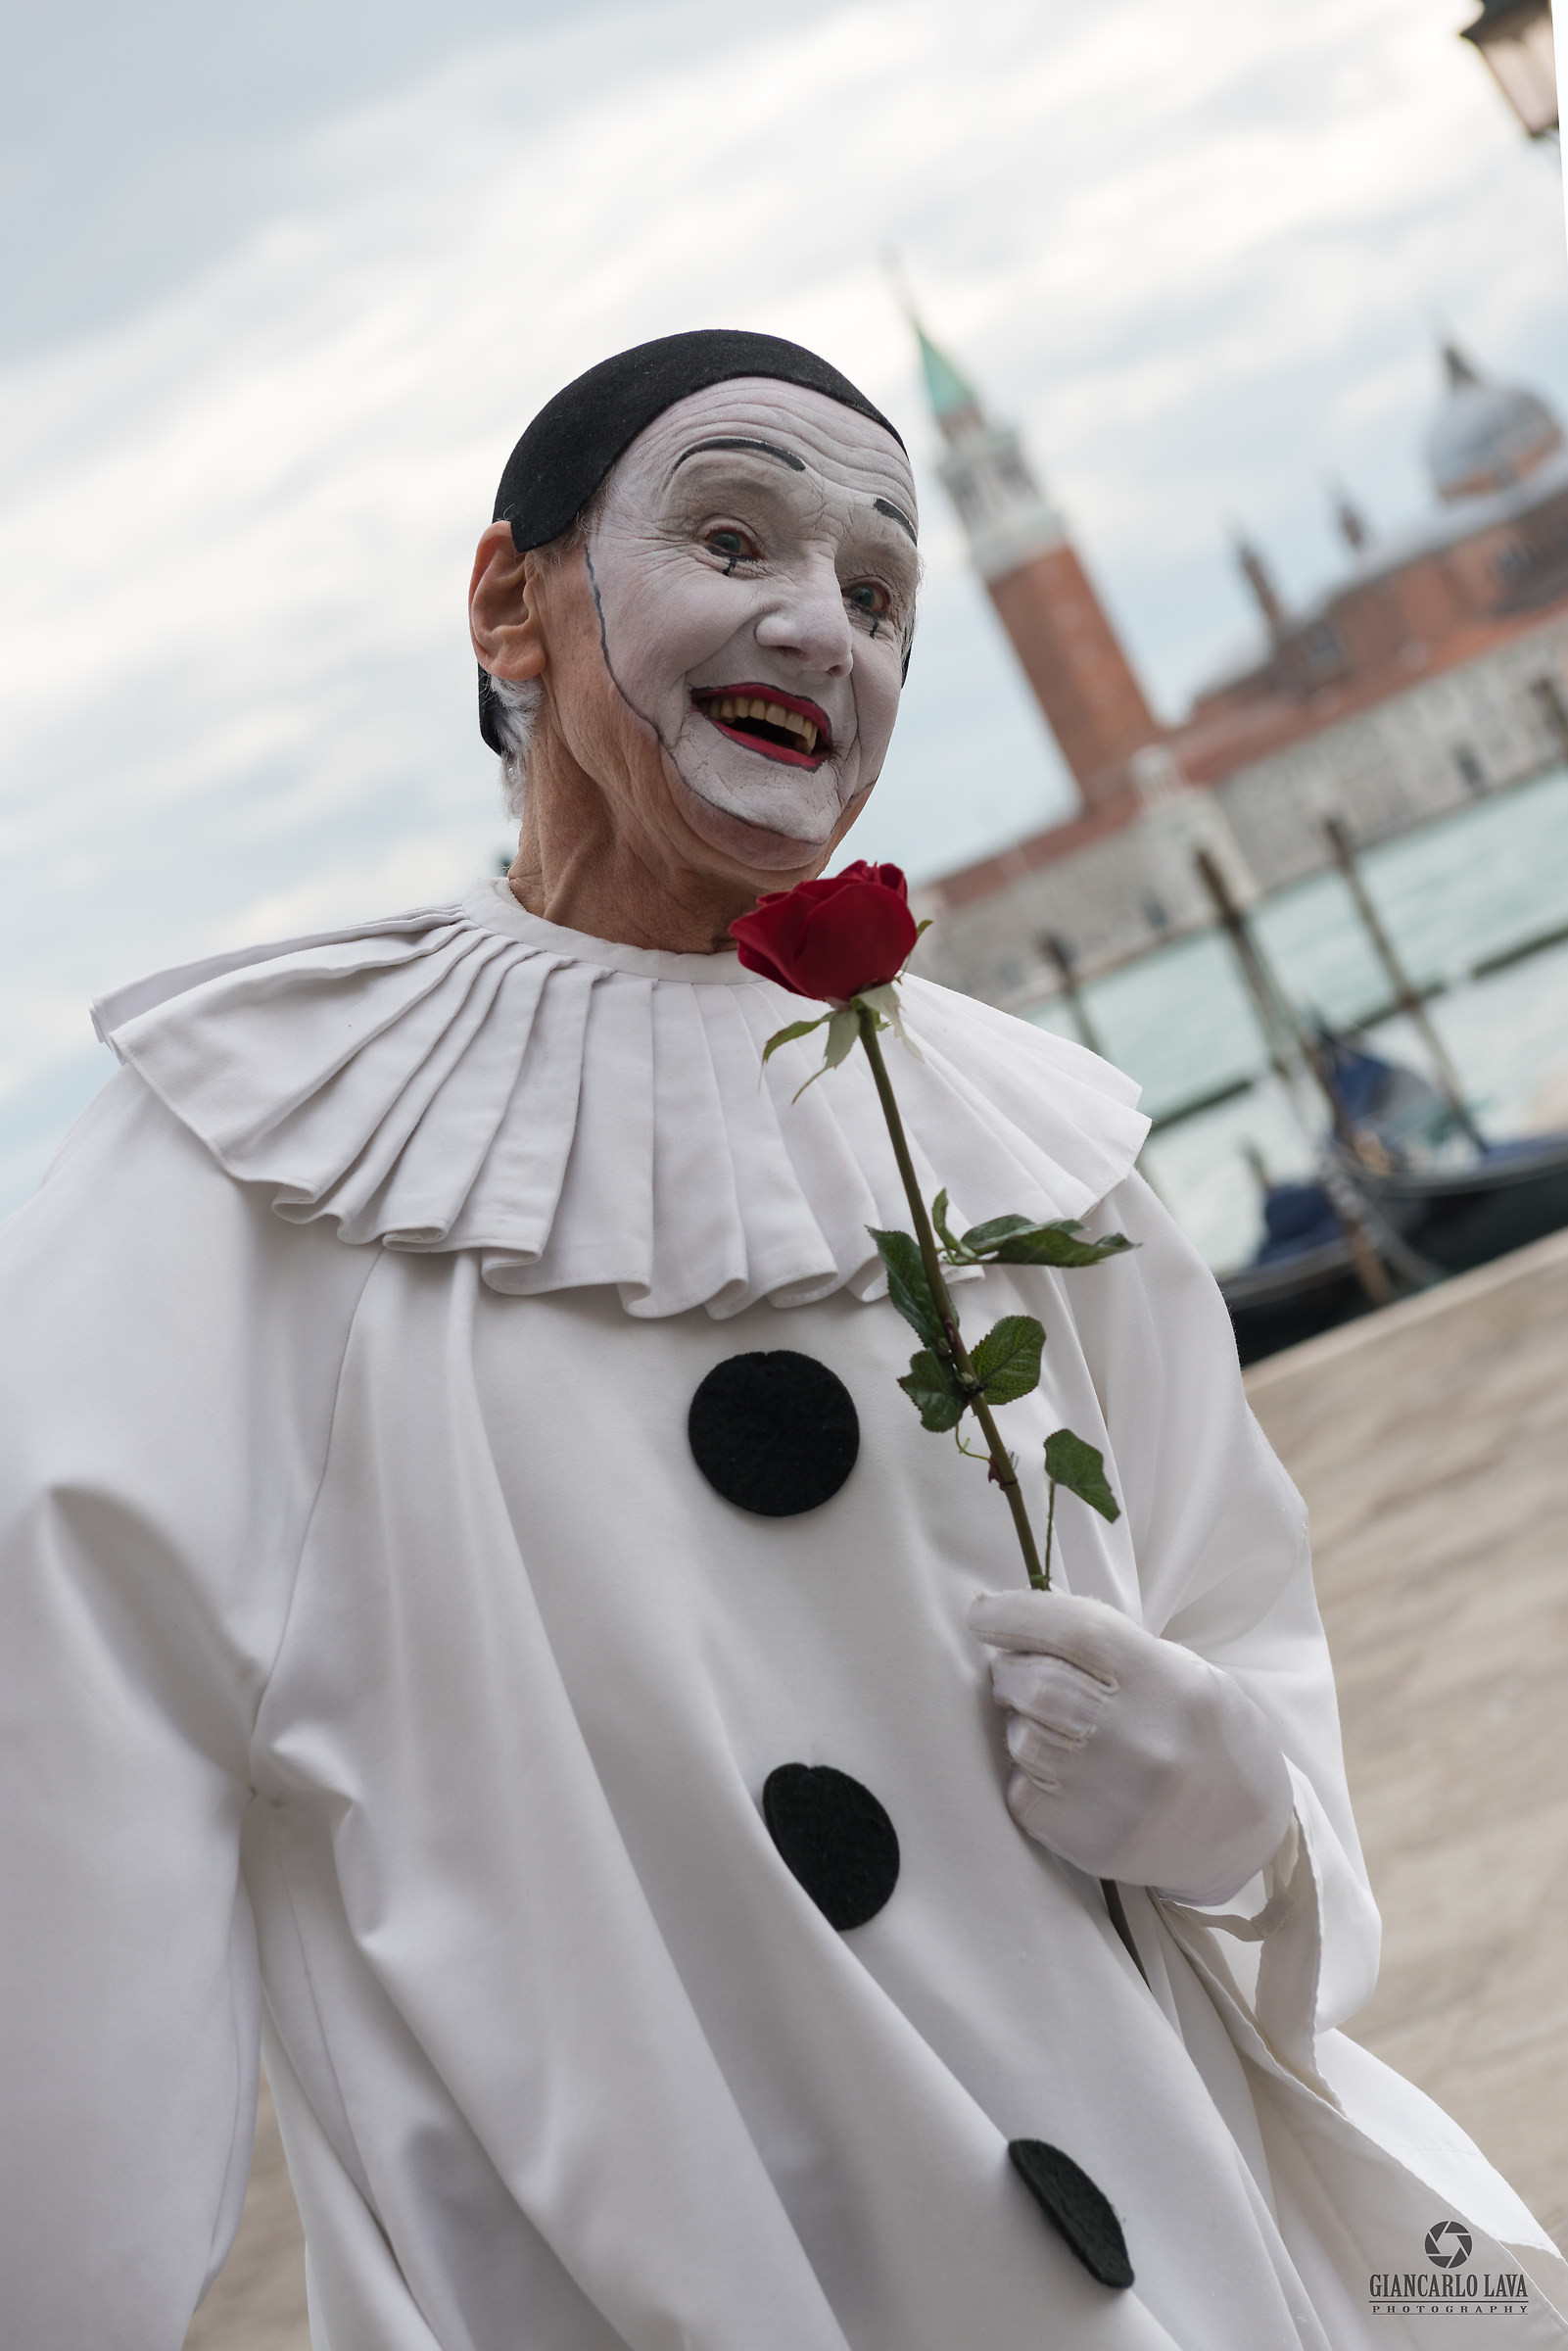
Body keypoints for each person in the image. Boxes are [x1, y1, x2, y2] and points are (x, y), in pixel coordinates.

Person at [0, 330, 1561, 2351]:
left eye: (881, 592)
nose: (820, 625)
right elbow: (65, 1853)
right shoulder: (245, 1170)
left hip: (1181, 2257)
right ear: (510, 605)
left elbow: (1232, 1613)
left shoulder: (1034, 1148)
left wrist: (1241, 1811)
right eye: (734, 539)